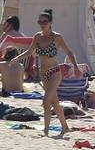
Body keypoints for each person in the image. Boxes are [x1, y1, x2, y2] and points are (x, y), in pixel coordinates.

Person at [15, 10, 78, 138]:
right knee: (54, 102)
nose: (42, 24)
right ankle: (65, 127)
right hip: (43, 74)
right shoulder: (37, 37)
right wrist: (17, 58)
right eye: (40, 21)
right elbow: (29, 51)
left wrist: (75, 67)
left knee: (45, 101)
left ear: (50, 23)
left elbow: (69, 52)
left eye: (44, 21)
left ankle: (46, 130)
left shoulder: (57, 37)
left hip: (54, 72)